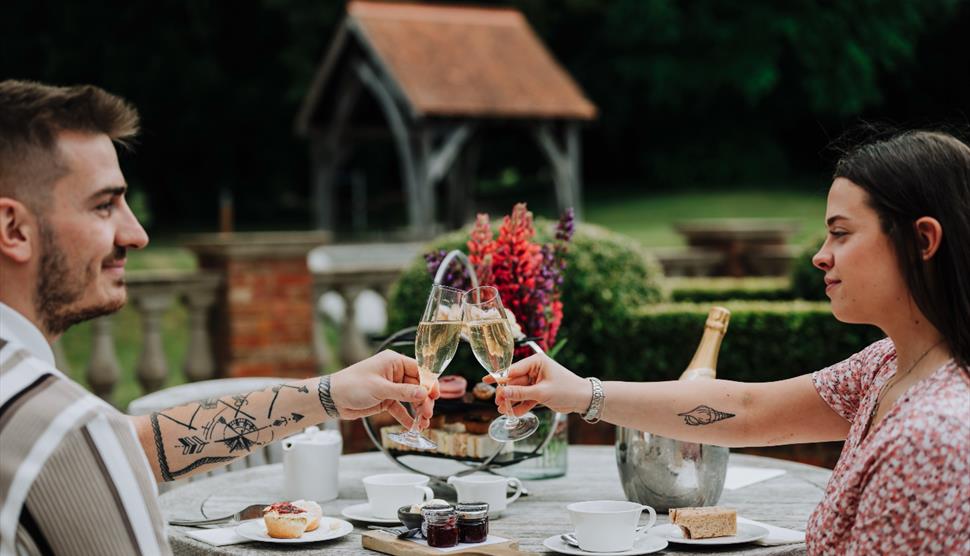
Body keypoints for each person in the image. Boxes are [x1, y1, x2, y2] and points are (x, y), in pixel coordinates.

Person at [0, 80, 437, 555]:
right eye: (104, 205)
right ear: (13, 229)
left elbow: (132, 444)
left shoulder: (37, 407)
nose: (138, 233)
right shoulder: (63, 429)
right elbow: (90, 444)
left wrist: (328, 395)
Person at [489, 130, 970, 555]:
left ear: (922, 240)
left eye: (841, 234)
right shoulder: (888, 365)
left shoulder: (932, 437)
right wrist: (578, 392)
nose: (820, 257)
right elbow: (748, 407)